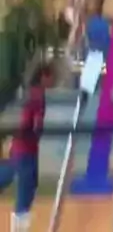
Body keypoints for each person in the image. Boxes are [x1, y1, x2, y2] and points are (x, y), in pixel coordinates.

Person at [0, 63, 54, 230]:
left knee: (24, 183)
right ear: (43, 76)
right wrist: (35, 131)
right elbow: (33, 123)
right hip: (25, 149)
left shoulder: (32, 93)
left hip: (24, 148)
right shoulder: (36, 96)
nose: (52, 81)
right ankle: (19, 227)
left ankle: (19, 224)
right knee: (26, 189)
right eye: (50, 77)